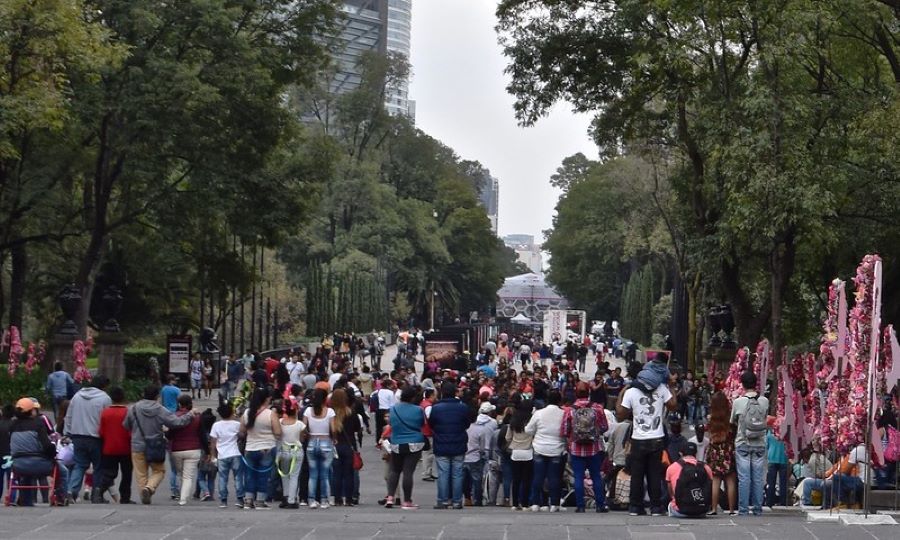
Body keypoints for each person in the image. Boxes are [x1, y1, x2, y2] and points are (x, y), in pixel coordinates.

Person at [617, 367, 676, 516]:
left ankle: (635, 506)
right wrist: (672, 386)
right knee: (654, 474)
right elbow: (673, 405)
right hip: (657, 438)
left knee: (637, 474)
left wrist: (621, 393)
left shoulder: (631, 392)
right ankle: (656, 506)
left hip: (638, 439)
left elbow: (620, 415)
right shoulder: (662, 389)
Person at [124, 384, 196, 505]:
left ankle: (144, 493)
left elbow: (126, 425)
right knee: (159, 470)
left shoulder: (133, 408)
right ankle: (150, 487)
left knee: (141, 473)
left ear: (143, 394)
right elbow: (176, 422)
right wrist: (190, 414)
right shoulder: (160, 409)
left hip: (137, 445)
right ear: (157, 396)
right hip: (155, 445)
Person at [8, 398, 70, 506]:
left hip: (18, 465)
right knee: (63, 471)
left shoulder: (12, 426)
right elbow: (46, 446)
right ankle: (60, 497)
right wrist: (53, 453)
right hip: (40, 464)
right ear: (31, 411)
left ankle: (25, 499)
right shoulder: (38, 424)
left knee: (26, 475)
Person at [561, 382, 609, 513]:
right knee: (596, 477)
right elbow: (605, 427)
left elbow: (565, 430)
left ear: (576, 392)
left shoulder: (570, 410)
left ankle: (580, 505)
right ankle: (600, 504)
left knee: (578, 477)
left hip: (576, 449)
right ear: (589, 392)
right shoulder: (597, 408)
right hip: (594, 448)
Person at [64, 374, 111, 502]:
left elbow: (69, 416)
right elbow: (107, 419)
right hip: (96, 437)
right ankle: (96, 494)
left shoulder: (77, 396)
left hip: (78, 436)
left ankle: (71, 490)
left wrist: (67, 432)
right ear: (103, 386)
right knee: (98, 466)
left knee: (79, 465)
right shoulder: (105, 398)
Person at [730, 371, 769, 516]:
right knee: (758, 478)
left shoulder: (738, 402)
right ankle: (758, 508)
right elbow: (764, 417)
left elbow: (733, 421)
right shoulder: (764, 401)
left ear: (743, 384)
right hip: (760, 442)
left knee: (744, 478)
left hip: (743, 442)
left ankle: (744, 509)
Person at [427, 382, 470, 509]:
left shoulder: (436, 408)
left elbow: (431, 424)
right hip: (459, 442)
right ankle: (457, 501)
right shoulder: (463, 407)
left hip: (441, 442)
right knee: (457, 473)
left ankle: (442, 500)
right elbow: (467, 424)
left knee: (443, 473)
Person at [526, 390, 566, 512]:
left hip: (539, 447)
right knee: (554, 477)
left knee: (538, 476)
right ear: (560, 401)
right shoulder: (564, 414)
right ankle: (554, 503)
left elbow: (528, 430)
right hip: (557, 448)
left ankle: (535, 503)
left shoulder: (538, 413)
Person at [386, 386, 426, 509]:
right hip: (414, 442)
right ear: (413, 397)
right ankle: (407, 501)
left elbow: (391, 424)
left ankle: (390, 497)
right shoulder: (418, 410)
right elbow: (422, 424)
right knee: (408, 472)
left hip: (396, 442)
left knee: (394, 470)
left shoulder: (392, 410)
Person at [240, 387, 280, 509]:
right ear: (266, 399)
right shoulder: (270, 414)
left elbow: (241, 432)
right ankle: (260, 501)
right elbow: (278, 432)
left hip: (250, 448)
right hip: (267, 448)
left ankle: (248, 500)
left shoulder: (247, 413)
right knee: (264, 475)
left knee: (249, 475)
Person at [95, 386, 132, 504]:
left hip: (109, 447)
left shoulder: (105, 412)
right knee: (127, 473)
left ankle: (99, 490)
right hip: (126, 447)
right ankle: (125, 497)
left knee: (110, 472)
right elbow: (131, 431)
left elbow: (101, 432)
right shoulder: (127, 412)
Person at [168, 394, 203, 506]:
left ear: (179, 404)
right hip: (194, 449)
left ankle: (180, 494)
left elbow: (170, 435)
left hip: (176, 449)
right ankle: (183, 499)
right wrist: (206, 450)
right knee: (188, 476)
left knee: (181, 474)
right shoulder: (197, 417)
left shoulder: (174, 417)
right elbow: (202, 434)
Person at [705, 392, 737, 515]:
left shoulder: (710, 419)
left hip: (715, 452)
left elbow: (709, 434)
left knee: (715, 481)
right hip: (728, 450)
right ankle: (732, 509)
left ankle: (713, 508)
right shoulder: (729, 419)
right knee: (730, 481)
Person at [303, 388, 335, 509]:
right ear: (325, 399)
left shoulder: (307, 411)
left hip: (311, 442)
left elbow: (303, 427)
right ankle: (324, 500)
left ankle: (311, 500)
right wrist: (334, 438)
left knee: (313, 474)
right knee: (325, 474)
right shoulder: (330, 411)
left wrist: (307, 435)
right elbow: (333, 429)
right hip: (326, 441)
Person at [209, 403, 244, 508]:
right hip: (235, 453)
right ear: (231, 413)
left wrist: (213, 456)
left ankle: (223, 500)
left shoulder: (216, 425)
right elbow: (242, 435)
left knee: (223, 478)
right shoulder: (236, 424)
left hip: (222, 455)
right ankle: (239, 499)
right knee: (238, 477)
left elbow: (213, 442)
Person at [666, 442, 713, 517]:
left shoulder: (672, 467)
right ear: (696, 453)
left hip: (681, 510)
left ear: (681, 453)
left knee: (671, 505)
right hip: (702, 510)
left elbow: (670, 490)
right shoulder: (705, 467)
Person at [331, 388, 361, 506]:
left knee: (336, 473)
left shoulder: (331, 413)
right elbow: (357, 429)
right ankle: (348, 499)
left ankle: (337, 498)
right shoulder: (351, 412)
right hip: (349, 445)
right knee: (349, 473)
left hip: (335, 445)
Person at [463, 401, 496, 507]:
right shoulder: (480, 429)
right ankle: (478, 499)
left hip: (464, 456)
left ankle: (467, 498)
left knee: (465, 480)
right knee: (477, 479)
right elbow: (482, 447)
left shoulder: (464, 429)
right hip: (476, 457)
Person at [505, 399, 534, 510]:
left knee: (516, 479)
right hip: (528, 451)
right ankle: (525, 503)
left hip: (515, 452)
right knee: (526, 479)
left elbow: (507, 437)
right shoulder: (531, 421)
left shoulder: (514, 421)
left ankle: (515, 503)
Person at [277, 400, 305, 509]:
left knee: (284, 475)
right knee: (294, 475)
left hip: (283, 450)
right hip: (296, 450)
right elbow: (302, 437)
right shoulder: (300, 424)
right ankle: (292, 499)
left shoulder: (280, 422)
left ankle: (285, 496)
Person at [765, 420, 788, 507]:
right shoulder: (785, 432)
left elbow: (766, 445)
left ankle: (769, 501)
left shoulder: (770, 433)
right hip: (783, 458)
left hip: (772, 459)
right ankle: (783, 501)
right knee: (783, 482)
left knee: (771, 482)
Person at [375, 379, 397, 446]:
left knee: (379, 427)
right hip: (387, 410)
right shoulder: (390, 392)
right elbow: (393, 404)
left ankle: (378, 442)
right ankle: (387, 441)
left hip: (379, 410)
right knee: (388, 426)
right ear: (388, 385)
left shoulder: (378, 391)